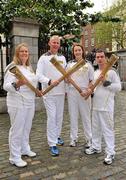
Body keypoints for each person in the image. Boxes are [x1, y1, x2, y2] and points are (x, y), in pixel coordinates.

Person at [3, 43, 42, 167]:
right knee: (17, 129)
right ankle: (14, 157)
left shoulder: (29, 67)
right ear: (17, 53)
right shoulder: (13, 67)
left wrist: (37, 91)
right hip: (17, 102)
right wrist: (17, 84)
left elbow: (33, 83)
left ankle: (24, 148)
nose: (24, 53)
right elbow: (5, 86)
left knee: (26, 127)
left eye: (26, 51)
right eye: (22, 51)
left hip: (29, 101)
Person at [85, 49, 121, 165]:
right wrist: (91, 91)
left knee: (108, 130)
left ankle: (110, 152)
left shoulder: (112, 72)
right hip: (95, 106)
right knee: (95, 129)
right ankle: (96, 147)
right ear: (95, 59)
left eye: (101, 57)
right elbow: (94, 89)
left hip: (106, 107)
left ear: (105, 58)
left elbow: (118, 87)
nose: (99, 59)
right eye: (97, 57)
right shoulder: (95, 73)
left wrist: (106, 82)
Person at [36, 35, 66, 156]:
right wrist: (49, 81)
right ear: (49, 43)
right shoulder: (43, 58)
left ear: (59, 45)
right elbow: (38, 75)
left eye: (57, 43)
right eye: (53, 42)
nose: (55, 44)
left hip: (61, 92)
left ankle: (57, 136)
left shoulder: (62, 57)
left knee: (59, 117)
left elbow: (65, 74)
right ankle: (52, 143)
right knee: (52, 117)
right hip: (49, 92)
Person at [66, 43, 94, 148]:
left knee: (86, 116)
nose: (77, 52)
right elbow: (66, 79)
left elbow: (92, 80)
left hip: (84, 93)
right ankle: (73, 138)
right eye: (75, 50)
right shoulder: (69, 64)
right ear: (73, 52)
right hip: (72, 92)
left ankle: (89, 139)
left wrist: (87, 90)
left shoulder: (88, 64)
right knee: (73, 115)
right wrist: (67, 79)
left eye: (79, 50)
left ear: (82, 51)